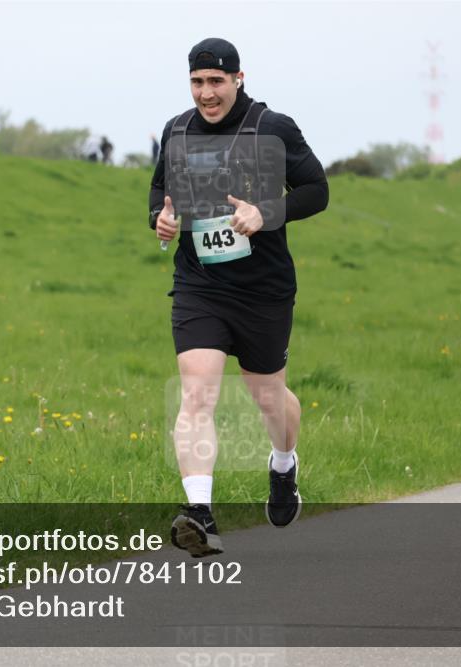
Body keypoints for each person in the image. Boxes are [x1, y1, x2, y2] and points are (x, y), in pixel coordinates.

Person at [148, 38, 329, 557]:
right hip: (200, 284)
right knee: (198, 394)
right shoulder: (177, 130)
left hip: (264, 291)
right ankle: (200, 514)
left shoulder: (272, 128)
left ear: (239, 78)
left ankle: (283, 463)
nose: (206, 93)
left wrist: (266, 213)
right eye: (197, 82)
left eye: (216, 82)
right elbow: (160, 194)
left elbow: (317, 190)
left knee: (268, 397)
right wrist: (160, 221)